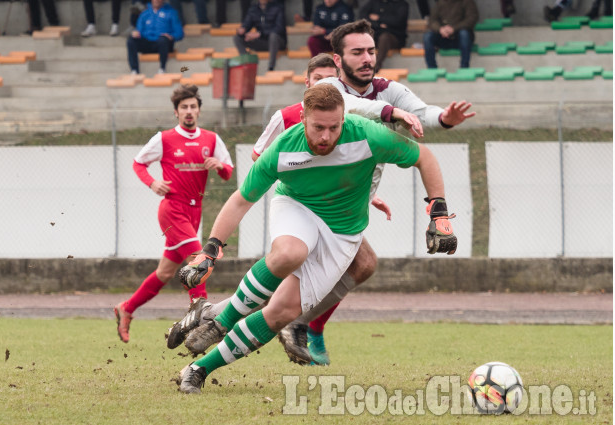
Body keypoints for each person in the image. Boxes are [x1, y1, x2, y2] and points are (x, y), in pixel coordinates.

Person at [167, 19, 474, 366]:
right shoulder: (317, 102)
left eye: (371, 51)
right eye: (357, 52)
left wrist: (445, 118)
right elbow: (261, 162)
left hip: (348, 204)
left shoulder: (389, 91)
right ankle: (266, 321)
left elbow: (422, 118)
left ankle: (254, 317)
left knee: (363, 266)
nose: (367, 58)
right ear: (337, 61)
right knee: (296, 258)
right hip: (300, 200)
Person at [174, 83, 456, 394]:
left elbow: (424, 158)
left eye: (334, 128)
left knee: (281, 313)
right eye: (318, 127)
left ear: (343, 119)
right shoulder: (283, 148)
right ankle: (219, 323)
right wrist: (210, 249)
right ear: (304, 118)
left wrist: (439, 213)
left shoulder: (366, 135)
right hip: (297, 207)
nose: (325, 136)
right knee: (289, 253)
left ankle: (198, 369)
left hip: (344, 233)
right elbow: (241, 200)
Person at [114, 85, 234, 343]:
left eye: (193, 107)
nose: (189, 111)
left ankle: (127, 308)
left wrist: (220, 165)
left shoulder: (211, 139)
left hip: (195, 211)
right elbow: (138, 163)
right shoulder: (165, 138)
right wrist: (152, 182)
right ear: (176, 112)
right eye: (184, 108)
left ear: (199, 110)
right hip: (173, 209)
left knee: (165, 273)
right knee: (197, 258)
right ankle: (199, 312)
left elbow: (228, 172)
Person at [126, 0, 184, 75]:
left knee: (163, 39)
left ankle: (162, 68)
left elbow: (180, 33)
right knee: (131, 40)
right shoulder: (145, 14)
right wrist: (136, 33)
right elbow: (139, 30)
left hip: (164, 44)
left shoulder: (171, 12)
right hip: (148, 43)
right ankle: (134, 70)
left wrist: (171, 36)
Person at [233, 0, 287, 71]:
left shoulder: (278, 8)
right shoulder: (253, 9)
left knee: (273, 36)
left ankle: (271, 67)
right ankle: (247, 62)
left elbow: (279, 28)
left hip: (278, 42)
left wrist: (260, 34)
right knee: (237, 38)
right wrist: (243, 30)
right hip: (262, 42)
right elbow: (247, 23)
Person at [423, 0, 479, 69]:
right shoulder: (440, 2)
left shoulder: (467, 2)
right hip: (443, 36)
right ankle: (432, 68)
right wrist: (440, 29)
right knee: (428, 36)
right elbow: (432, 20)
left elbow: (472, 18)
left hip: (460, 36)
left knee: (464, 34)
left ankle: (464, 67)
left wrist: (454, 29)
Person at [360, 0, 410, 73]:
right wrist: (379, 25)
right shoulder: (373, 2)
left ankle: (375, 66)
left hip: (395, 37)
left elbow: (398, 21)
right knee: (366, 36)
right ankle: (361, 64)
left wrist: (379, 18)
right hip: (376, 34)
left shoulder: (402, 4)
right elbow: (362, 17)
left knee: (384, 38)